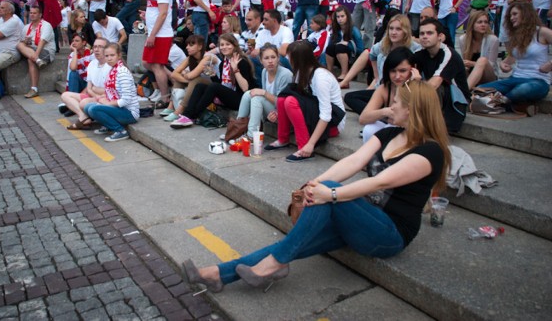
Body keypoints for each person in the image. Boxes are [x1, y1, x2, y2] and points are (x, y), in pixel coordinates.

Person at [183, 79, 450, 294]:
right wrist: (316, 183)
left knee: (325, 199)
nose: (390, 108)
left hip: (389, 234)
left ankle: (275, 265)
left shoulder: (430, 152)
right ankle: (218, 274)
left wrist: (330, 192)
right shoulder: (390, 134)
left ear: (412, 110)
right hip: (362, 220)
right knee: (295, 239)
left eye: (395, 105)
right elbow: (354, 161)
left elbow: (380, 181)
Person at [264, 41, 345, 162]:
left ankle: (304, 147)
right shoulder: (300, 72)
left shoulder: (321, 77)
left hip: (333, 123)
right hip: (314, 114)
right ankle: (283, 139)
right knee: (282, 99)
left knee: (290, 101)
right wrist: (278, 113)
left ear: (298, 59)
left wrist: (311, 144)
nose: (288, 60)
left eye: (290, 57)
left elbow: (326, 114)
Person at [479, 2, 552, 113]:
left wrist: (550, 64)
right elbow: (512, 57)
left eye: (515, 14)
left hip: (538, 81)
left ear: (525, 14)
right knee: (481, 88)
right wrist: (504, 63)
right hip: (515, 78)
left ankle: (496, 104)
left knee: (521, 90)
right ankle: (517, 106)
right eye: (510, 16)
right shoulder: (516, 35)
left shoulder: (542, 32)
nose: (512, 18)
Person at [170, 33, 256, 128]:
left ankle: (191, 116)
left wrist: (235, 69)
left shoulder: (242, 62)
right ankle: (187, 115)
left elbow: (245, 88)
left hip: (241, 99)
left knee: (213, 86)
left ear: (234, 46)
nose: (224, 47)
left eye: (228, 44)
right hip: (229, 97)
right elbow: (221, 86)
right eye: (222, 45)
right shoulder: (223, 63)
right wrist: (212, 75)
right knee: (200, 86)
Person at [344, 14, 421, 113]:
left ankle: (378, 112)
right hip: (384, 89)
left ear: (405, 31)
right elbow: (372, 54)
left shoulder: (414, 48)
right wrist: (377, 77)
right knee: (349, 97)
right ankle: (380, 115)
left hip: (403, 91)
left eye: (398, 29)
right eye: (391, 28)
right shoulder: (384, 44)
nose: (393, 32)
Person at [413, 18, 470, 132]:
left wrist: (416, 84)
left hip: (456, 104)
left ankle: (429, 128)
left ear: (440, 36)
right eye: (422, 33)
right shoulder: (420, 53)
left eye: (429, 33)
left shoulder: (449, 54)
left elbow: (434, 84)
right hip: (435, 99)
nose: (424, 36)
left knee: (435, 86)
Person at [84, 43, 139, 142]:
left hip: (129, 112)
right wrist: (103, 99)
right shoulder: (113, 70)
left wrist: (108, 103)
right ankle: (108, 125)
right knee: (88, 107)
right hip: (118, 108)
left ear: (119, 55)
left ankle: (120, 131)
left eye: (112, 55)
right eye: (107, 56)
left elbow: (126, 100)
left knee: (94, 109)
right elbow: (110, 93)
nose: (109, 58)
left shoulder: (122, 72)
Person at [235, 43, 293, 137]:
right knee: (247, 94)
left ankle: (251, 136)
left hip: (283, 113)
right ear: (261, 61)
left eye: (273, 57)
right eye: (266, 58)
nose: (270, 61)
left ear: (278, 58)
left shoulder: (285, 75)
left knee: (257, 98)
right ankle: (238, 130)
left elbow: (283, 103)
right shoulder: (264, 71)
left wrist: (264, 93)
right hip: (272, 110)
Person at [359, 47, 416, 142]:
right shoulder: (384, 88)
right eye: (393, 71)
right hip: (390, 128)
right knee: (369, 129)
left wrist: (415, 84)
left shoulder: (419, 89)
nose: (397, 76)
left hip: (412, 134)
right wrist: (385, 112)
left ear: (413, 70)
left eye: (402, 71)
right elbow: (363, 118)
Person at [140, 0, 174, 109]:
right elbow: (157, 11)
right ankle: (172, 81)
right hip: (156, 32)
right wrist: (146, 15)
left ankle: (165, 96)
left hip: (161, 34)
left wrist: (152, 34)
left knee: (157, 65)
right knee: (147, 62)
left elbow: (163, 13)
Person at [163, 35, 219, 122]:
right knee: (179, 80)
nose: (187, 47)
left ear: (200, 46)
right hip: (201, 84)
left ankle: (179, 110)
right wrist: (187, 77)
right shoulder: (190, 58)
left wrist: (186, 74)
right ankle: (171, 106)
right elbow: (174, 74)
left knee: (195, 79)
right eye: (187, 44)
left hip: (216, 85)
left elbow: (192, 75)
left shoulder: (208, 57)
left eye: (191, 45)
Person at [60, 38, 110, 127]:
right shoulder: (93, 64)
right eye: (95, 47)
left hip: (106, 98)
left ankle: (84, 113)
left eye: (100, 47)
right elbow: (89, 87)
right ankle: (83, 116)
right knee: (65, 95)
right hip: (94, 95)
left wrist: (94, 90)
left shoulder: (110, 65)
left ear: (107, 49)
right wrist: (93, 93)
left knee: (84, 102)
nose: (96, 49)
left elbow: (110, 91)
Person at [16, 5, 56, 98]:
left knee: (31, 59)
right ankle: (34, 89)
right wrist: (25, 42)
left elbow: (42, 41)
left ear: (40, 15)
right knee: (19, 44)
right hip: (32, 50)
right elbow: (22, 43)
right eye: (31, 13)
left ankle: (34, 89)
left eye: (35, 13)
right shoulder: (26, 27)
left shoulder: (46, 25)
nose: (32, 15)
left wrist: (36, 55)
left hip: (46, 51)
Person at [460, 11, 499, 88]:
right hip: (471, 73)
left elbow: (491, 64)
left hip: (489, 76)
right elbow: (465, 61)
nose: (483, 25)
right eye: (479, 22)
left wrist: (472, 63)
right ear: (472, 24)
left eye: (486, 22)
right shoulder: (463, 39)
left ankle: (465, 92)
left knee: (482, 60)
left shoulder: (493, 39)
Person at [325, 6, 364, 81]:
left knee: (340, 47)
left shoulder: (354, 30)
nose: (340, 19)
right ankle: (330, 73)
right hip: (337, 58)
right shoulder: (335, 30)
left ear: (347, 16)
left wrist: (348, 44)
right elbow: (330, 46)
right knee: (330, 48)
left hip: (352, 59)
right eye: (338, 17)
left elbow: (361, 50)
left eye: (342, 16)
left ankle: (344, 74)